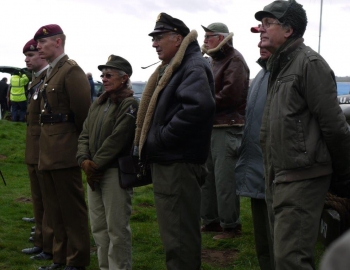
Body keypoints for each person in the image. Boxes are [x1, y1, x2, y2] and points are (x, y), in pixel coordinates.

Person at [255, 1, 350, 269]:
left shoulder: (309, 65)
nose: (261, 30)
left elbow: (335, 127)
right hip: (280, 176)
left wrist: (344, 178)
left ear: (288, 30)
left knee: (291, 260)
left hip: (302, 178)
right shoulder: (279, 66)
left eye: (267, 23)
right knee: (281, 254)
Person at [134, 12, 215, 270]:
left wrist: (159, 138)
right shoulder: (180, 66)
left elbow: (197, 108)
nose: (154, 44)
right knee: (175, 236)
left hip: (177, 164)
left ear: (177, 38)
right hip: (172, 162)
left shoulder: (191, 66)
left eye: (159, 38)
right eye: (153, 38)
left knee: (179, 239)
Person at [34, 24, 91, 270]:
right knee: (54, 209)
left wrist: (77, 146)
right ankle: (60, 258)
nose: (39, 46)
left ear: (58, 42)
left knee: (71, 209)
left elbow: (83, 114)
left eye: (43, 42)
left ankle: (76, 260)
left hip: (65, 149)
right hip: (47, 148)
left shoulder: (71, 71)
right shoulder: (50, 73)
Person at [77, 55, 138, 270]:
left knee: (117, 230)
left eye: (109, 75)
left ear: (124, 78)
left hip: (113, 173)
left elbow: (118, 139)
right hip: (93, 172)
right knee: (99, 229)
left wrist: (94, 165)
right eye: (102, 74)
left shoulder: (129, 104)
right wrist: (83, 160)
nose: (103, 78)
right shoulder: (99, 103)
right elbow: (84, 133)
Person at [200, 22, 249, 240]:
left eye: (209, 36)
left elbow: (231, 95)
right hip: (211, 126)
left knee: (224, 180)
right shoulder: (213, 61)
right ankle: (211, 222)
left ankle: (231, 226)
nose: (204, 40)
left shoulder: (235, 60)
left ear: (221, 39)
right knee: (207, 178)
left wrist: (201, 103)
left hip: (227, 127)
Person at [235, 28, 274, 270]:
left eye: (266, 39)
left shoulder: (285, 74)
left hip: (277, 175)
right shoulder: (261, 76)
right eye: (259, 40)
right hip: (258, 171)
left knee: (283, 245)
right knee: (263, 244)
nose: (261, 44)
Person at [20, 38, 55, 262]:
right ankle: (41, 240)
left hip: (47, 150)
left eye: (31, 55)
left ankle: (48, 244)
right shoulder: (36, 81)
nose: (26, 59)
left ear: (42, 56)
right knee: (38, 198)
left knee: (48, 200)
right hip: (34, 150)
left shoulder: (48, 79)